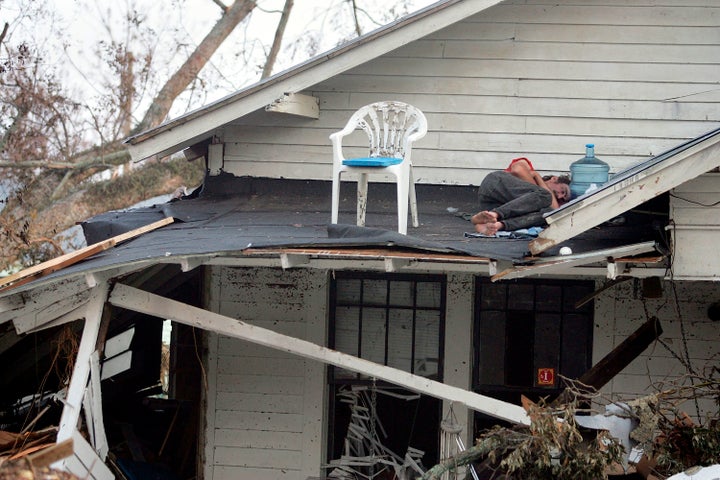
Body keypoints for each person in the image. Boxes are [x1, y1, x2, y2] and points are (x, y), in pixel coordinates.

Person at [471, 157, 570, 235]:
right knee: (544, 196)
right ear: (554, 179)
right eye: (563, 191)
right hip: (495, 183)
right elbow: (517, 170)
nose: (560, 196)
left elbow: (554, 209)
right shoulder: (527, 165)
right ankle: (495, 214)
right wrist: (536, 176)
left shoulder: (538, 199)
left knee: (548, 215)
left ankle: (496, 225)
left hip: (491, 205)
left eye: (562, 198)